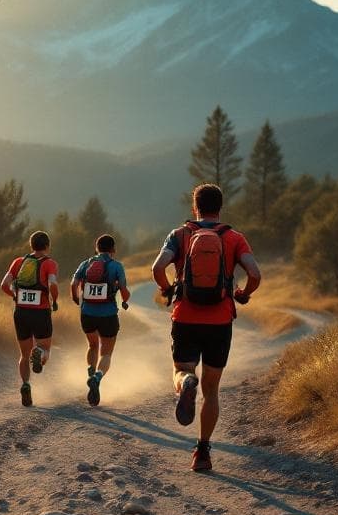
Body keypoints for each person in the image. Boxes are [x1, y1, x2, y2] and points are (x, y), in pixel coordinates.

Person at [151, 184, 261, 471]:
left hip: (185, 317)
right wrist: (242, 294)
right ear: (220, 207)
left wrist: (168, 289)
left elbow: (157, 268)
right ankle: (202, 452)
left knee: (181, 372)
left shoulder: (179, 235)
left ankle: (186, 384)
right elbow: (255, 273)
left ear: (195, 207)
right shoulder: (234, 238)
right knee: (212, 390)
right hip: (219, 322)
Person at [0, 230, 59, 407]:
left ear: (31, 245)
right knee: (45, 350)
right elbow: (53, 284)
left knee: (24, 355)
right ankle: (39, 353)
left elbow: (4, 285)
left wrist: (15, 296)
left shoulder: (18, 262)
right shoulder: (50, 264)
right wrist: (54, 300)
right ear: (47, 246)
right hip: (40, 312)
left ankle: (26, 384)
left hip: (21, 312)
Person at [70, 234, 130, 406]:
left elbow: (73, 284)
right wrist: (125, 300)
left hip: (87, 314)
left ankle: (90, 372)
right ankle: (97, 377)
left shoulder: (85, 264)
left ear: (96, 248)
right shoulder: (116, 266)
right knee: (106, 353)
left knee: (92, 345)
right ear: (113, 250)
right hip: (108, 315)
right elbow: (124, 291)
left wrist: (76, 300)